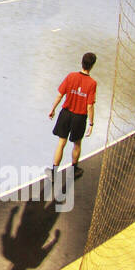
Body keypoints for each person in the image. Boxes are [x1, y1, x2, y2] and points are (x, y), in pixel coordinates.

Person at [48, 52, 98, 181]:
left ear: (81, 62)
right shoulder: (92, 83)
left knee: (61, 143)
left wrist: (53, 109)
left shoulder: (71, 76)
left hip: (66, 114)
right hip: (79, 118)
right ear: (92, 66)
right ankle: (74, 169)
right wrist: (91, 123)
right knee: (77, 144)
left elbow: (60, 95)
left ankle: (53, 172)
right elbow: (90, 106)